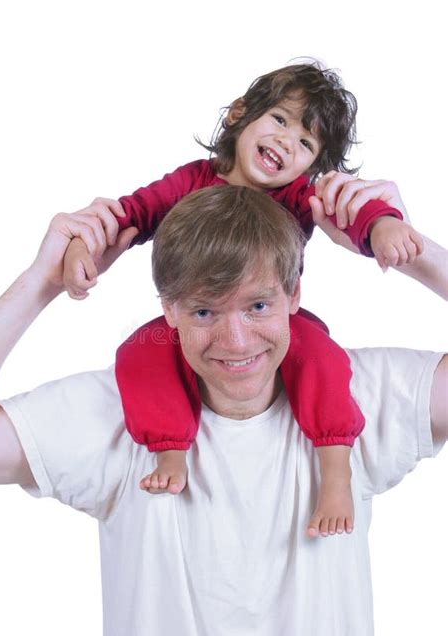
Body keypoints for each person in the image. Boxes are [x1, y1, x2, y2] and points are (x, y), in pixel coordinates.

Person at [0, 183, 446, 636]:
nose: (236, 340)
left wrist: (409, 248)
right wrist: (40, 283)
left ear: (294, 294)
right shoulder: (112, 413)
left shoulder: (360, 393)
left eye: (258, 306)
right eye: (205, 311)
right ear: (169, 310)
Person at [60, 61, 424, 538]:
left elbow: (353, 208)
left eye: (306, 144)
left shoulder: (297, 195)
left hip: (271, 321)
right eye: (279, 120)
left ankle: (336, 470)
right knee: (137, 352)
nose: (287, 142)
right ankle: (171, 448)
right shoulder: (193, 181)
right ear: (238, 115)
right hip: (197, 320)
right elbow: (133, 212)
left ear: (312, 165)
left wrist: (383, 223)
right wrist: (81, 249)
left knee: (322, 359)